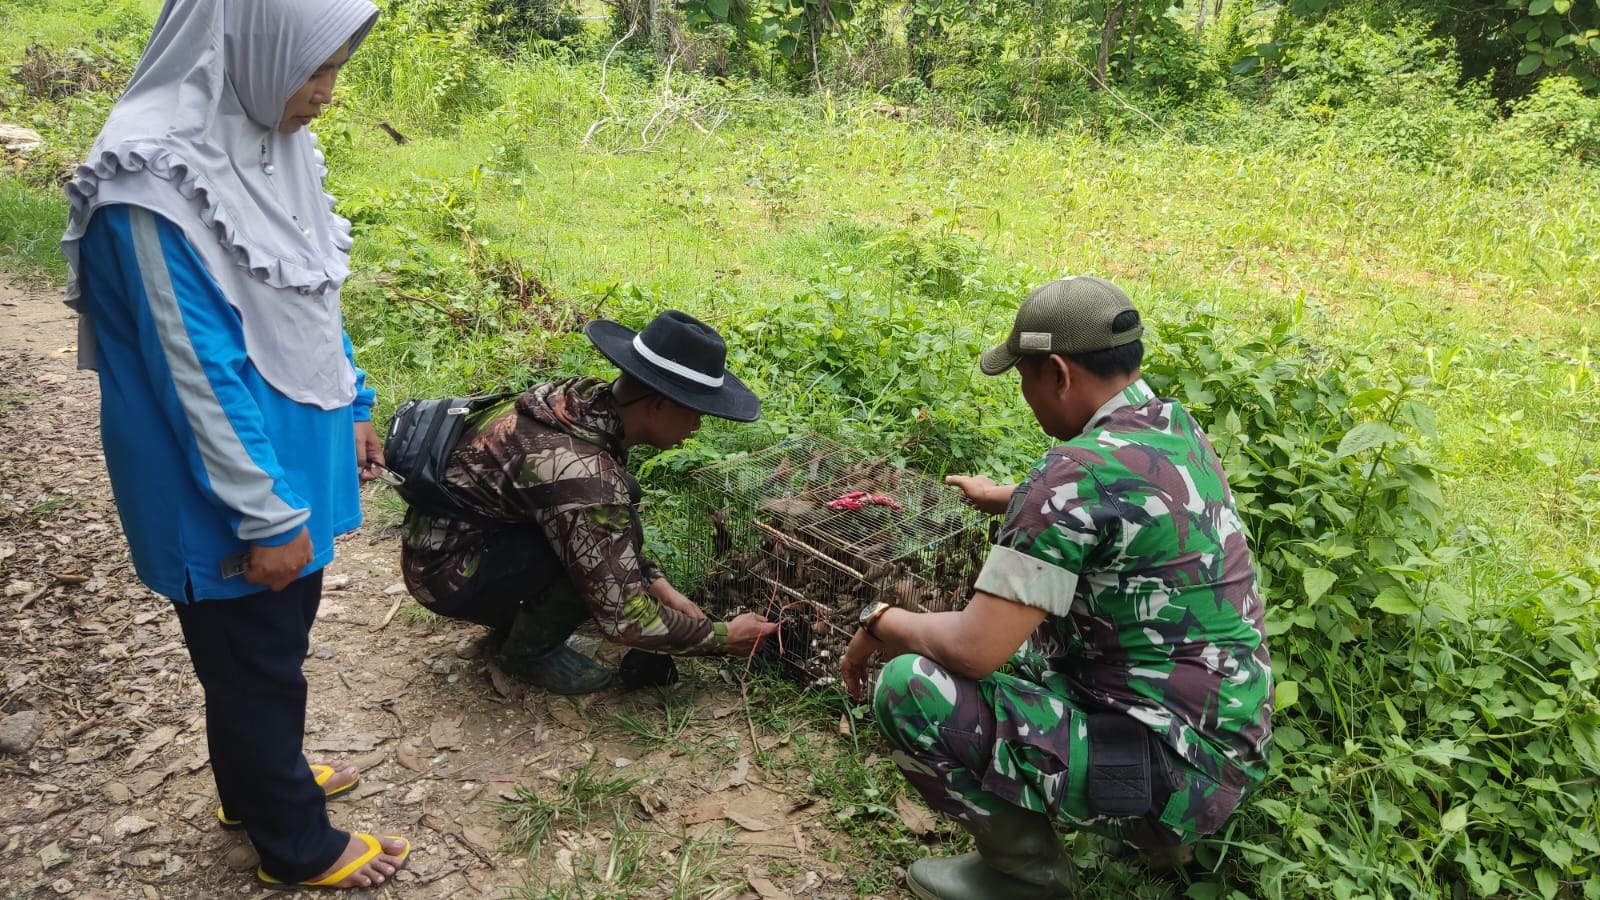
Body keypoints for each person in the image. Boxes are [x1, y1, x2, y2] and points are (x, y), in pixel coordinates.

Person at [60, 0, 409, 890]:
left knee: (266, 655)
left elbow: (308, 286)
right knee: (255, 662)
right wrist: (263, 519)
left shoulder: (259, 134)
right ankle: (294, 841)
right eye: (316, 70)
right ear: (250, 48)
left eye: (335, 70)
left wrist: (355, 396)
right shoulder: (150, 181)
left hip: (291, 455)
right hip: (226, 494)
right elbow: (195, 375)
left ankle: (258, 781)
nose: (327, 95)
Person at [841, 276, 1273, 900]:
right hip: (1227, 739)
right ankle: (1166, 841)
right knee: (1035, 646)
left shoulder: (1069, 476)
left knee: (913, 685)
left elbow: (972, 649)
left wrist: (880, 619)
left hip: (1168, 775)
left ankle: (1027, 879)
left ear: (1060, 375)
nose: (1024, 393)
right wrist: (1010, 498)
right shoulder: (1172, 428)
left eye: (1024, 377)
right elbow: (1127, 507)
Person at [400, 310, 780, 694]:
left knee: (621, 499)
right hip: (447, 573)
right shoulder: (582, 476)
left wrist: (657, 583)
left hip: (456, 537)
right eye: (696, 412)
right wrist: (722, 636)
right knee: (603, 532)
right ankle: (527, 652)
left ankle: (521, 612)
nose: (698, 426)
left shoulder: (579, 403)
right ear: (659, 405)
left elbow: (602, 513)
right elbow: (625, 618)